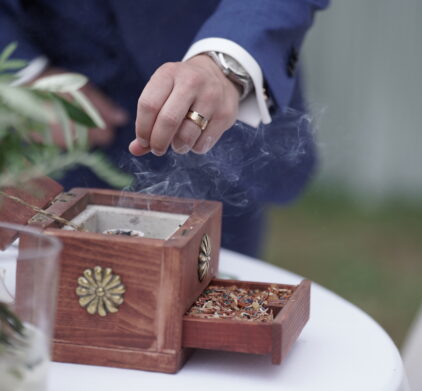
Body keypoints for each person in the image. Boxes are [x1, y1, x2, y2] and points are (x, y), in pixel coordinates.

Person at [0, 0, 329, 257]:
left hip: (214, 120)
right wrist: (22, 74)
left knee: (209, 290)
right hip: (45, 136)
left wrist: (225, 63)